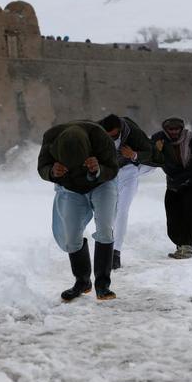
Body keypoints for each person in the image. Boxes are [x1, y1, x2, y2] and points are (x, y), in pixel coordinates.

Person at [37, 121, 119, 301]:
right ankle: (82, 281)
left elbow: (113, 168)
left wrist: (98, 170)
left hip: (102, 184)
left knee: (105, 229)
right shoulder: (50, 138)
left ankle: (102, 285)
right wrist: (51, 171)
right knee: (71, 236)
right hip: (71, 189)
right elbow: (42, 167)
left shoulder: (100, 137)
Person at [151, 117, 192, 259]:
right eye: (171, 129)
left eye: (177, 129)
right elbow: (152, 158)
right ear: (165, 129)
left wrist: (182, 176)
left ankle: (187, 247)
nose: (174, 132)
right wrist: (157, 151)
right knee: (173, 215)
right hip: (173, 182)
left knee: (190, 214)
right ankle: (179, 244)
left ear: (181, 128)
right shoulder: (158, 140)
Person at [98, 114, 153, 269]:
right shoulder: (95, 131)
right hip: (108, 174)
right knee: (109, 212)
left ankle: (116, 252)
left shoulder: (134, 133)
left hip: (129, 171)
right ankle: (106, 248)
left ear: (120, 130)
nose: (111, 138)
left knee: (122, 210)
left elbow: (150, 152)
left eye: (114, 135)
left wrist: (134, 155)